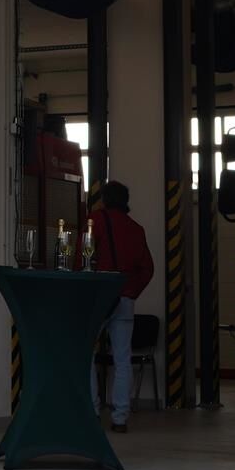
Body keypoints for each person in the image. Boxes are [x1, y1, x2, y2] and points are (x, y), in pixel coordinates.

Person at [85, 180, 155, 433]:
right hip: (125, 300)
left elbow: (83, 257)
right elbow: (147, 268)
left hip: (97, 298)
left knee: (86, 356)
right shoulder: (136, 228)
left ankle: (92, 411)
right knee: (122, 359)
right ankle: (120, 418)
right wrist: (131, 292)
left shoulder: (94, 221)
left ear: (104, 199)